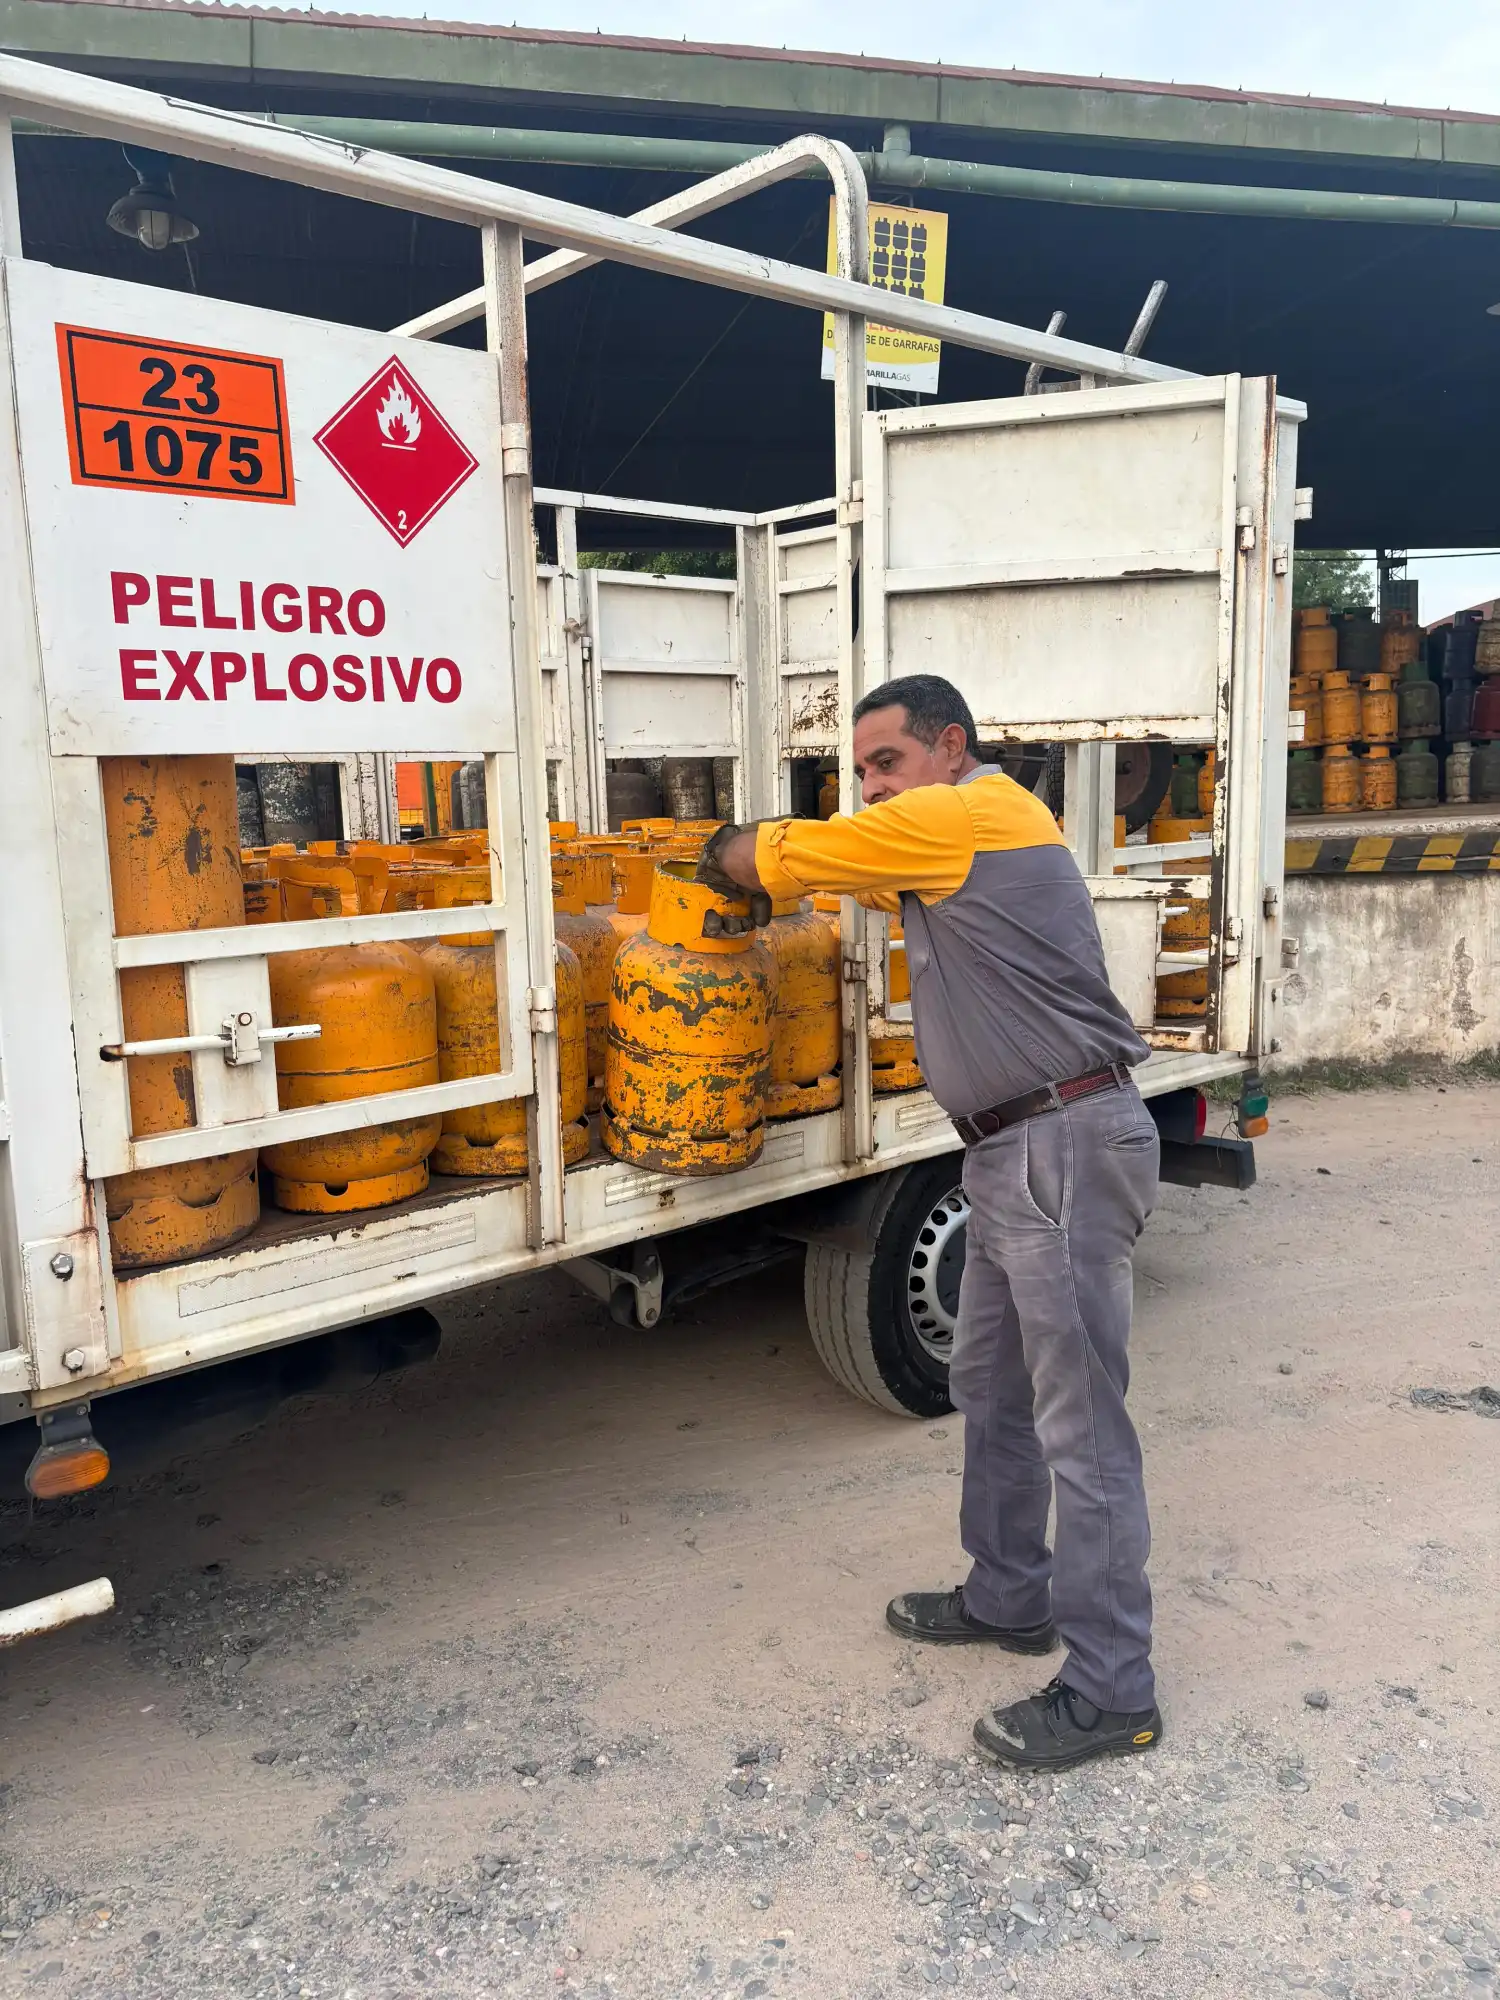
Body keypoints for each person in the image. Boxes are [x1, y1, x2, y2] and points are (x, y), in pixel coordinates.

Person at [696, 674, 1164, 1772]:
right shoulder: (949, 834)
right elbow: (853, 869)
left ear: (950, 746)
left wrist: (721, 848)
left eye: (885, 762)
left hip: (1061, 1141)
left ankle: (1114, 1690)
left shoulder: (967, 813)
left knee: (1082, 1423)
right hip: (1012, 1147)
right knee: (990, 1383)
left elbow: (783, 855)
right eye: (857, 771)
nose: (868, 788)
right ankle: (1009, 1592)